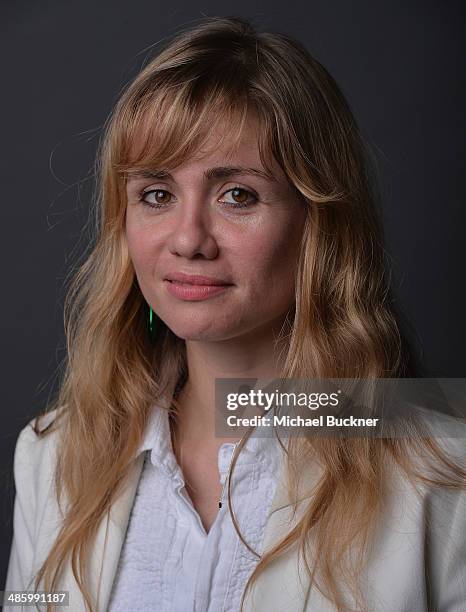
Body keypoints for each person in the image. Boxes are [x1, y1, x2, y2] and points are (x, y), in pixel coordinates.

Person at [4, 15, 466, 612]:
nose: (189, 239)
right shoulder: (51, 457)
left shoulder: (444, 473)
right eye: (157, 194)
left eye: (237, 195)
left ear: (317, 223)